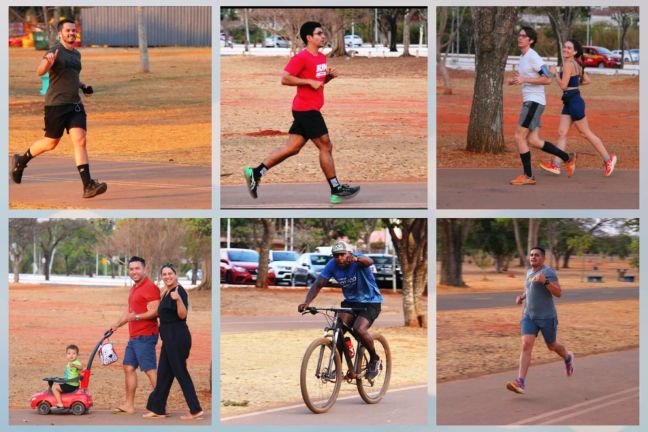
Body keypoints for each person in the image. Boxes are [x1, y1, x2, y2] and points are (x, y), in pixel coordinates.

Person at [243, 21, 360, 204]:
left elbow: (318, 83)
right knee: (325, 146)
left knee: (292, 148)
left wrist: (328, 77)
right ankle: (336, 189)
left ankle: (256, 172)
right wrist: (307, 82)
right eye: (319, 33)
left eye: (323, 33)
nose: (323, 36)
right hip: (307, 110)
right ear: (309, 38)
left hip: (305, 109)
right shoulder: (301, 57)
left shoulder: (321, 58)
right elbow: (285, 79)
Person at [10, 18, 107, 199]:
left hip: (75, 104)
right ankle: (21, 161)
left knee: (80, 140)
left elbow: (72, 76)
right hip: (56, 105)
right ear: (60, 34)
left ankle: (88, 185)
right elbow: (40, 71)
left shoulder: (76, 54)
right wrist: (47, 62)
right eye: (67, 31)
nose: (71, 33)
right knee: (50, 143)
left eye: (73, 30)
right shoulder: (55, 50)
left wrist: (83, 86)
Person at [298, 241, 383, 379]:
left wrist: (356, 259)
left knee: (359, 329)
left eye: (342, 254)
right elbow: (319, 284)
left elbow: (369, 261)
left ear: (348, 253)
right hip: (350, 302)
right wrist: (307, 302)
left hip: (371, 302)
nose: (339, 258)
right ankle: (338, 369)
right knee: (338, 330)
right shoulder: (332, 265)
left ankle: (374, 359)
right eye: (336, 256)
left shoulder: (356, 259)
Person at [508, 26, 576, 186]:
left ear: (530, 40)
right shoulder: (523, 57)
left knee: (519, 136)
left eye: (523, 36)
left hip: (534, 102)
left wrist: (525, 79)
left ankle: (528, 176)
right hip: (532, 101)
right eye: (519, 35)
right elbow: (526, 77)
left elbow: (548, 78)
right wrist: (516, 81)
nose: (520, 38)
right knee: (533, 140)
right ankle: (568, 158)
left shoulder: (533, 57)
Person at [539, 39, 617, 177]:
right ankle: (556, 164)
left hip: (574, 102)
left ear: (575, 51)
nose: (566, 49)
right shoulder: (577, 64)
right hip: (569, 101)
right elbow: (586, 80)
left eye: (569, 48)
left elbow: (563, 86)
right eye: (565, 47)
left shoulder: (569, 64)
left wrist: (554, 73)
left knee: (586, 133)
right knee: (562, 132)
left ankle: (608, 159)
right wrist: (574, 84)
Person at [506, 247, 574, 394]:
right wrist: (522, 297)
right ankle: (520, 382)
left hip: (546, 317)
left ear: (543, 258)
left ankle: (567, 357)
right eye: (531, 255)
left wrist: (545, 282)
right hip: (529, 316)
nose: (533, 257)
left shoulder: (548, 272)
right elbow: (529, 288)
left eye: (536, 255)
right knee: (526, 344)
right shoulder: (529, 272)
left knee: (552, 346)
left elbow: (558, 293)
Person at [143, 263, 204, 420]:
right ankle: (158, 409)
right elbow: (164, 314)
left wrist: (178, 300)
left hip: (177, 337)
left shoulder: (179, 291)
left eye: (170, 273)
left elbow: (182, 315)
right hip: (169, 338)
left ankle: (195, 409)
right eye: (164, 274)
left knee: (180, 372)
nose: (167, 276)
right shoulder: (166, 292)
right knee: (164, 373)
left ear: (175, 275)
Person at [110, 256, 161, 414]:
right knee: (128, 367)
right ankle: (129, 405)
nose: (134, 272)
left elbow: (155, 311)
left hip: (145, 336)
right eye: (131, 269)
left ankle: (161, 406)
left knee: (150, 370)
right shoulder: (134, 288)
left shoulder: (150, 287)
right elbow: (129, 312)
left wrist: (136, 317)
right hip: (134, 336)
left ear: (144, 269)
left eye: (137, 268)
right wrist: (116, 325)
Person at [51, 344, 82, 408]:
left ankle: (60, 404)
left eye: (74, 353)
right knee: (57, 384)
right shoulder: (69, 363)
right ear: (66, 355)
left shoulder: (76, 362)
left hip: (71, 385)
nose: (71, 355)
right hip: (69, 383)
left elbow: (81, 367)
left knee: (54, 387)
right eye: (69, 353)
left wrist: (75, 366)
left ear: (77, 355)